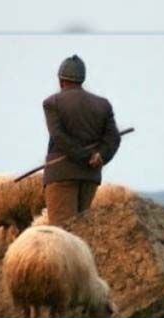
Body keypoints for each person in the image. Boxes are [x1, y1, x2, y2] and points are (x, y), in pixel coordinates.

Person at [42, 54, 121, 226]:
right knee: (82, 230)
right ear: (81, 80)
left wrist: (85, 156)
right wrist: (100, 156)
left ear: (61, 80)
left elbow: (59, 138)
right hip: (89, 176)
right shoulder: (103, 104)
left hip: (62, 174)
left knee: (63, 232)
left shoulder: (52, 103)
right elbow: (113, 138)